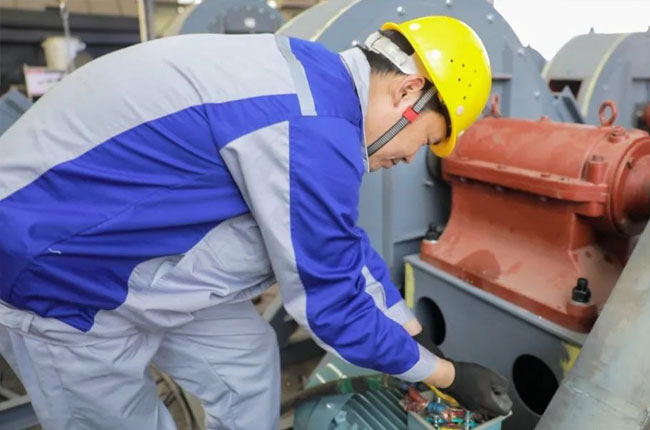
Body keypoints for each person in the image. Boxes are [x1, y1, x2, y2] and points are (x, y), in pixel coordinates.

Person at [0, 15, 511, 430]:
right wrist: (447, 375)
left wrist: (412, 334)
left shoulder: (317, 86)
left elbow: (334, 241)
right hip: (59, 272)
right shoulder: (311, 125)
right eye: (427, 139)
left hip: (125, 247)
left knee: (246, 363)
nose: (411, 157)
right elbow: (333, 308)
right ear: (408, 92)